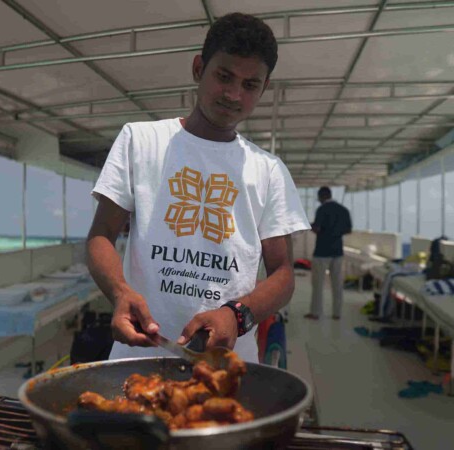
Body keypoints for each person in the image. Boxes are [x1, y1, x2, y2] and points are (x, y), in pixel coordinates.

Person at [86, 13, 310, 363]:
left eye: (250, 85)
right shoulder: (140, 141)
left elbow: (283, 273)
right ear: (197, 68)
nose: (234, 94)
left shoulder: (269, 170)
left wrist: (236, 315)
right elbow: (101, 234)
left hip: (226, 365)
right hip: (138, 356)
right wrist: (119, 293)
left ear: (264, 89)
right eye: (224, 76)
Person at [305, 186, 352, 320]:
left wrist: (311, 226)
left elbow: (317, 228)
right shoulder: (343, 210)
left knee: (318, 284)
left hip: (322, 252)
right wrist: (336, 232)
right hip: (338, 251)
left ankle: (315, 313)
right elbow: (348, 230)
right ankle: (337, 314)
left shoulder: (322, 209)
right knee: (337, 284)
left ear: (322, 196)